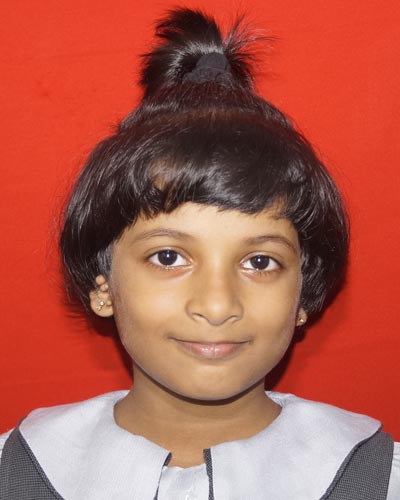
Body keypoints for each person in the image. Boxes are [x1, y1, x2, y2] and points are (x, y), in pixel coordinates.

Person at [0, 8, 398, 500]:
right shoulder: (19, 470)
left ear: (303, 295)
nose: (216, 305)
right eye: (169, 257)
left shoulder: (379, 478)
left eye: (259, 262)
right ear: (102, 285)